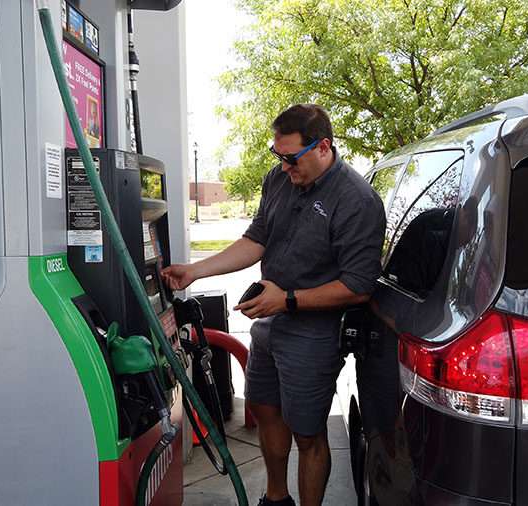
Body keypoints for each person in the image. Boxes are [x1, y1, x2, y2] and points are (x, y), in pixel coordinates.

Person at [163, 104, 385, 506]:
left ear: (323, 147)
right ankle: (276, 497)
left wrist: (288, 300)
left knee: (308, 432)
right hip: (268, 324)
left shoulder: (356, 200)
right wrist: (196, 271)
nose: (283, 167)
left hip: (313, 333)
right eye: (277, 156)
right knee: (266, 411)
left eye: (290, 158)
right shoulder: (279, 180)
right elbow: (256, 239)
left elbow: (359, 286)